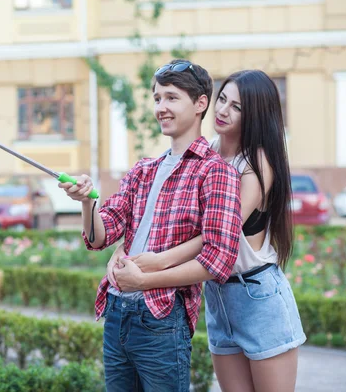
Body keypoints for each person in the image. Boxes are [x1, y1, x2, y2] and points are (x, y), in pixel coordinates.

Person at [112, 69, 306, 392]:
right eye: (222, 100)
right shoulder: (207, 153)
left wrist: (157, 262)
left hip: (257, 296)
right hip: (218, 297)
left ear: (255, 114)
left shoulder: (256, 163)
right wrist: (126, 248)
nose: (222, 110)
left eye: (236, 107)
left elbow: (220, 233)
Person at [57, 59, 242, 392]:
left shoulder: (216, 172)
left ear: (200, 103)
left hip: (161, 317)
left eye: (172, 98)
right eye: (157, 98)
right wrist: (87, 201)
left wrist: (144, 280)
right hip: (116, 310)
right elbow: (101, 236)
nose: (161, 107)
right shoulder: (143, 169)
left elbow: (219, 260)